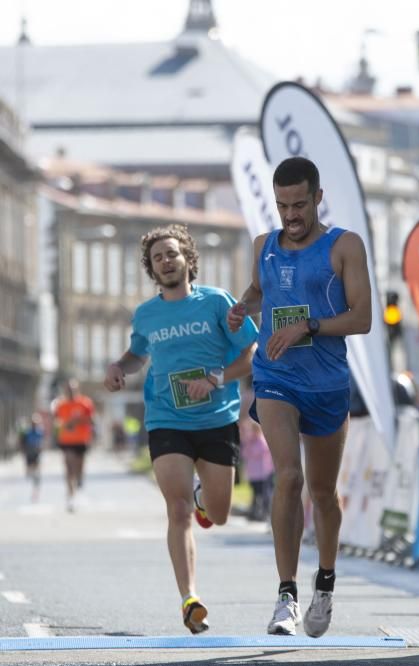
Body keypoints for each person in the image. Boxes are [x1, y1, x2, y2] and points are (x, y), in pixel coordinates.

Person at [227, 156, 372, 637]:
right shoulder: (263, 245)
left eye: (299, 205)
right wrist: (240, 309)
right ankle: (285, 595)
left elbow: (362, 318)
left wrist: (307, 325)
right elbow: (256, 292)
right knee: (288, 477)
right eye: (282, 205)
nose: (290, 215)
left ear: (317, 198)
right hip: (276, 379)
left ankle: (324, 584)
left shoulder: (344, 245)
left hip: (327, 384)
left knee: (323, 493)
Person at [104, 224, 257, 635]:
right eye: (157, 258)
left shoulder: (216, 303)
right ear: (151, 269)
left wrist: (216, 378)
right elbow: (137, 354)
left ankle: (204, 500)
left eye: (172, 253)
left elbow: (250, 353)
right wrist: (120, 367)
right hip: (166, 419)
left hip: (216, 419)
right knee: (177, 510)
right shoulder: (147, 315)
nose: (166, 261)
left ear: (188, 258)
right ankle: (190, 598)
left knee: (220, 514)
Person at [51, 378, 95, 512]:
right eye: (68, 389)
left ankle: (79, 482)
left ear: (77, 389)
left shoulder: (85, 403)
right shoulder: (61, 404)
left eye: (73, 389)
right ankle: (70, 496)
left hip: (81, 440)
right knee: (68, 466)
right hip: (66, 440)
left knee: (78, 467)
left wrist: (77, 422)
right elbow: (57, 420)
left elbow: (91, 420)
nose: (70, 391)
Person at [240, 418, 274, 521]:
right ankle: (254, 511)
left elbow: (261, 451)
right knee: (255, 494)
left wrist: (251, 450)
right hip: (253, 473)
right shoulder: (250, 442)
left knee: (263, 494)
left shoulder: (261, 440)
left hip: (262, 473)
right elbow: (244, 454)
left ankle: (264, 512)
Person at [19, 413, 45, 502]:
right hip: (29, 453)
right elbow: (22, 442)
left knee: (36, 472)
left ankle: (35, 490)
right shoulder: (27, 432)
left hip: (36, 454)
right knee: (29, 472)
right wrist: (23, 451)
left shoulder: (40, 431)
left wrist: (41, 448)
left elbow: (42, 442)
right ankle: (31, 476)